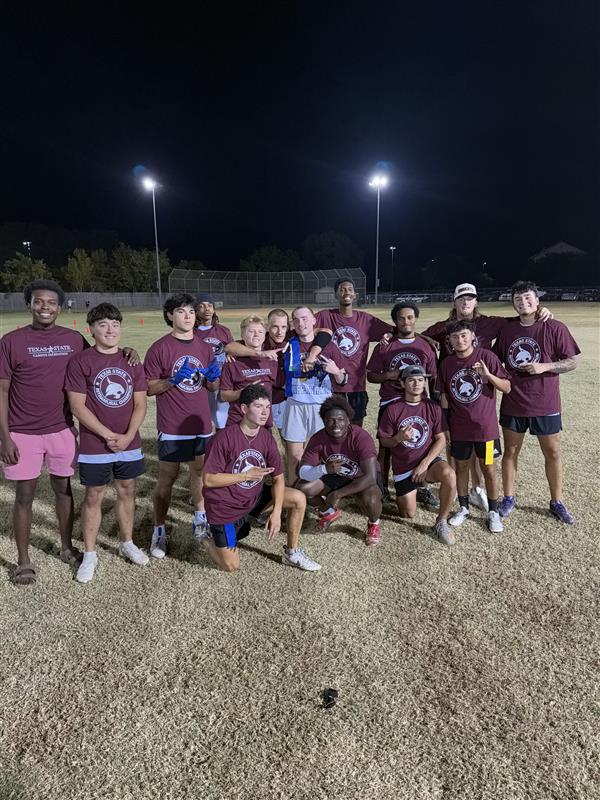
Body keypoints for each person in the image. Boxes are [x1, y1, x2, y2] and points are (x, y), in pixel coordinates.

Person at [422, 282, 552, 512]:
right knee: (456, 444)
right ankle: (456, 487)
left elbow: (520, 319)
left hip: (478, 394)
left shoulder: (489, 323)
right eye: (461, 299)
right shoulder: (444, 327)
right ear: (454, 302)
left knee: (480, 447)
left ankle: (477, 488)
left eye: (470, 298)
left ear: (476, 301)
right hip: (450, 392)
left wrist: (540, 311)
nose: (465, 302)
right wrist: (428, 340)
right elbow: (416, 336)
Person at [0, 280, 86, 584]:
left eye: (51, 302)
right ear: (29, 305)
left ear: (60, 307)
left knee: (64, 489)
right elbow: (2, 391)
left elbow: (98, 361)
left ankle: (66, 547)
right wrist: (4, 437)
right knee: (24, 496)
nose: (45, 307)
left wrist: (126, 352)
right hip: (23, 433)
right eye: (38, 301)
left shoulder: (74, 339)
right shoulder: (12, 341)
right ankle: (23, 561)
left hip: (61, 429)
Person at [65, 303, 149, 583]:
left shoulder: (131, 361)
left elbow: (140, 404)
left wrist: (127, 436)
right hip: (95, 444)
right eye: (103, 325)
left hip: (129, 442)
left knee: (127, 490)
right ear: (91, 329)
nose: (110, 330)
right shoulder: (81, 361)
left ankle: (127, 542)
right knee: (94, 495)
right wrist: (107, 435)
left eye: (115, 324)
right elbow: (77, 406)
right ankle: (90, 554)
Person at [201, 384, 321, 572]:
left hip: (253, 497)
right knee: (231, 566)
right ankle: (206, 540)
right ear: (244, 409)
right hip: (225, 507)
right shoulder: (223, 438)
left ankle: (292, 553)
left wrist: (277, 512)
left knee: (298, 498)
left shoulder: (266, 438)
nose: (265, 412)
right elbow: (208, 479)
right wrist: (245, 476)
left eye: (267, 407)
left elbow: (278, 478)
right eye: (258, 406)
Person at [494, 281, 580, 523]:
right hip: (514, 401)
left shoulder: (554, 326)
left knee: (552, 452)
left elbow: (572, 361)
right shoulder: (507, 330)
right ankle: (508, 498)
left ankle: (557, 502)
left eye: (528, 298)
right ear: (513, 304)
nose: (523, 303)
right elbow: (495, 359)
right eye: (518, 299)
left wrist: (545, 366)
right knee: (511, 451)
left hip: (545, 402)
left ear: (537, 300)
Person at [144, 292, 220, 559]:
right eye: (180, 311)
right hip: (173, 426)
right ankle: (159, 529)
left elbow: (212, 386)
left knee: (199, 473)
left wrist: (214, 378)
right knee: (167, 478)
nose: (187, 316)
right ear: (169, 316)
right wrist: (172, 380)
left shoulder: (204, 347)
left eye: (190, 311)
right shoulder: (160, 348)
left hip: (200, 423)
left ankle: (200, 518)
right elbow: (149, 388)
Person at [438, 320, 511, 533]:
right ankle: (463, 508)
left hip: (485, 430)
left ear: (472, 336)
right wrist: (445, 424)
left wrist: (488, 376)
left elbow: (507, 387)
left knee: (488, 467)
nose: (460, 340)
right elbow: (444, 396)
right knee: (461, 467)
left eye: (464, 335)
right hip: (459, 429)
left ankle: (493, 512)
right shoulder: (447, 364)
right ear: (449, 340)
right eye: (455, 337)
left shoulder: (486, 357)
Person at [367, 302, 438, 506]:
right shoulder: (385, 345)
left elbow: (433, 378)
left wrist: (434, 403)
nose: (406, 321)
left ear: (415, 319)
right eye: (401, 318)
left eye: (410, 317)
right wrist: (389, 375)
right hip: (391, 401)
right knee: (386, 447)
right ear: (395, 322)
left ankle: (421, 487)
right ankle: (381, 488)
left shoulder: (425, 346)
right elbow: (371, 375)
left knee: (422, 444)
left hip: (418, 403)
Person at [378, 366, 456, 545]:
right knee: (408, 513)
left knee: (450, 475)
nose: (417, 384)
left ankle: (441, 522)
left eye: (421, 380)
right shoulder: (392, 409)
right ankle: (416, 488)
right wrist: (398, 438)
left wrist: (425, 463)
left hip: (427, 462)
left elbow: (441, 439)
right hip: (404, 467)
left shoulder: (433, 407)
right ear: (402, 383)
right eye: (411, 380)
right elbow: (384, 442)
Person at [297, 396, 383, 545]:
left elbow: (370, 477)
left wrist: (337, 494)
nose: (336, 424)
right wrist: (324, 468)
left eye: (340, 419)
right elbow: (303, 471)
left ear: (348, 420)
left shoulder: (360, 436)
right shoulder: (318, 438)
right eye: (330, 420)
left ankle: (373, 523)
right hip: (337, 475)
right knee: (303, 489)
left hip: (362, 477)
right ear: (324, 421)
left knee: (371, 500)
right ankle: (329, 513)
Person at [280, 306, 346, 484]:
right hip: (296, 404)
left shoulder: (329, 346)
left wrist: (336, 372)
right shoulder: (289, 344)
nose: (301, 323)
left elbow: (342, 380)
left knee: (324, 454)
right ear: (292, 324)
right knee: (294, 456)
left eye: (305, 318)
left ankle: (324, 492)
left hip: (322, 406)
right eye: (296, 320)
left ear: (314, 320)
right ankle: (295, 492)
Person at [314, 278, 393, 426]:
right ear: (336, 295)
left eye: (350, 289)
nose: (346, 292)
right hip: (329, 385)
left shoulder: (365, 320)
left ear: (355, 295)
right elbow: (301, 326)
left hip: (356, 385)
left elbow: (394, 331)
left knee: (356, 429)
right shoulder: (325, 316)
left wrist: (387, 335)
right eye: (342, 290)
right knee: (332, 428)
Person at [219, 316, 279, 428]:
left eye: (260, 332)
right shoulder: (232, 361)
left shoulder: (272, 359)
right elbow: (223, 396)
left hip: (263, 424)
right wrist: (242, 392)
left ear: (265, 336)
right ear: (242, 335)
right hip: (238, 423)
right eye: (251, 331)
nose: (256, 335)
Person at [194, 293, 233, 430]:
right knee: (200, 420)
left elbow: (231, 349)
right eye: (202, 306)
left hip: (220, 381)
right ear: (195, 310)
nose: (207, 309)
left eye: (210, 305)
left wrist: (230, 353)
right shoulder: (191, 332)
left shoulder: (223, 331)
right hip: (200, 382)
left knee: (221, 420)